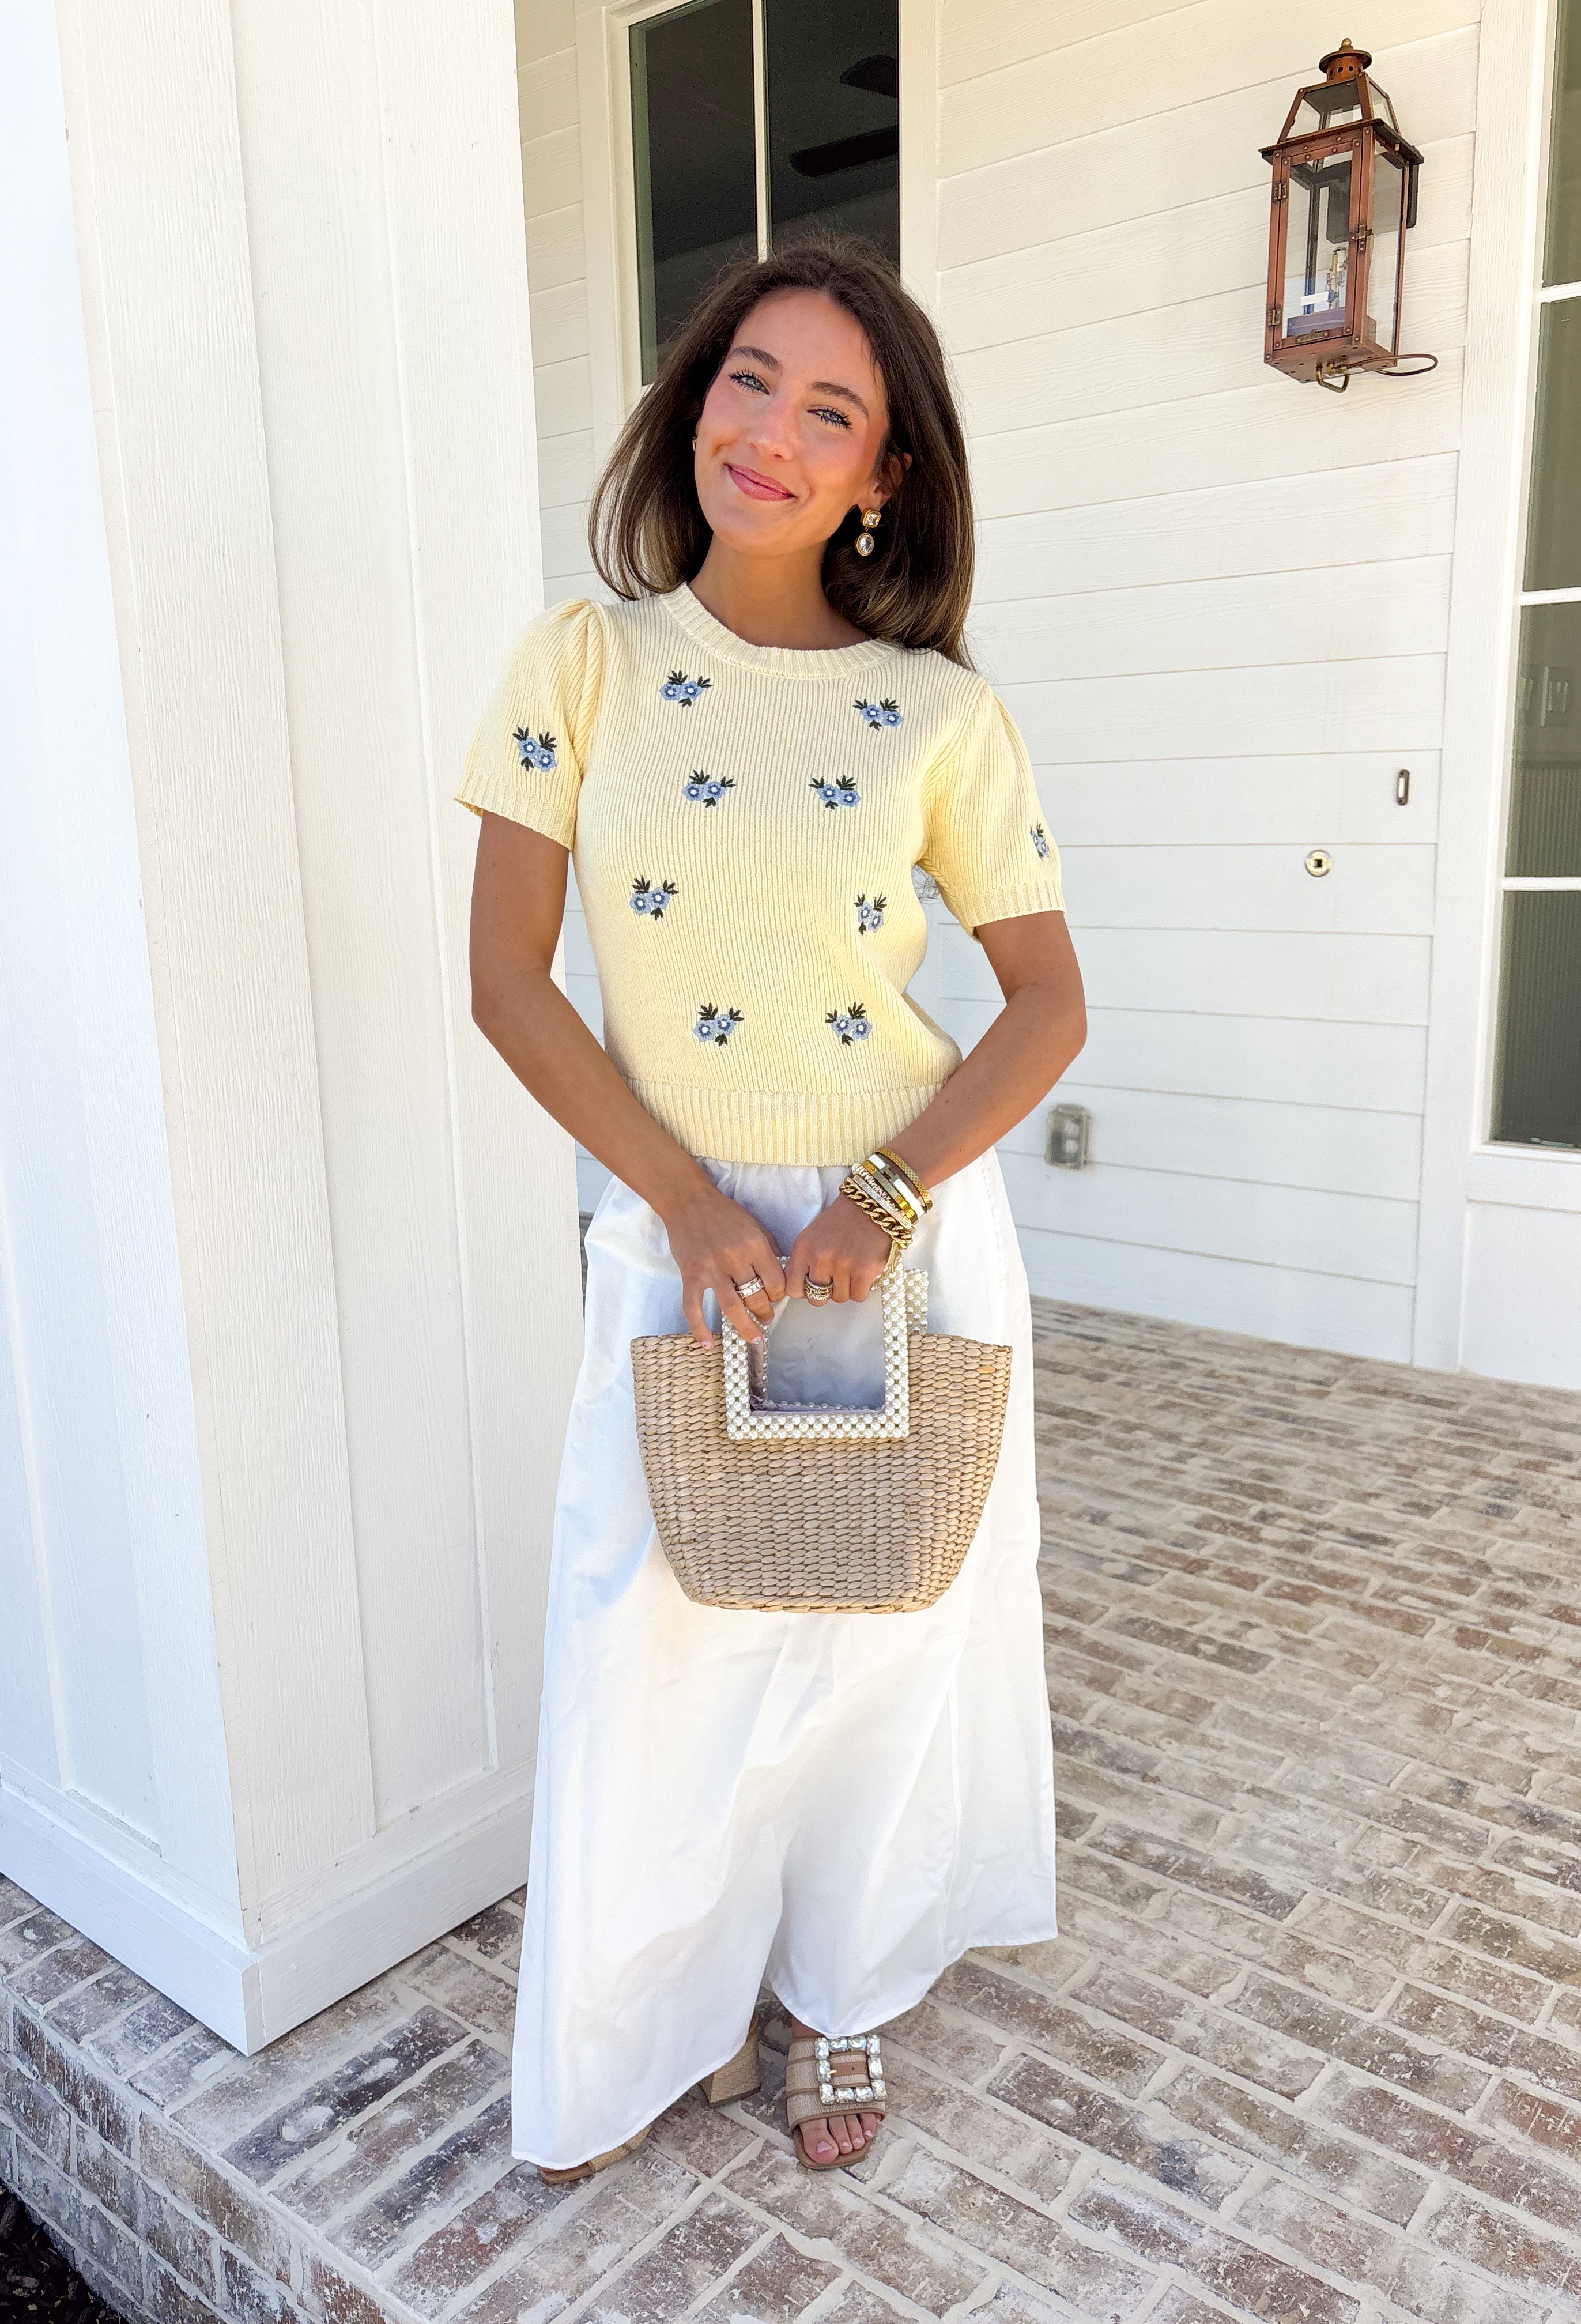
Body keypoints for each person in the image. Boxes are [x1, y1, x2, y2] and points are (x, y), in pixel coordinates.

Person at [458, 232, 1086, 2180]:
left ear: (884, 474)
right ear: (692, 396)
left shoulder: (939, 713)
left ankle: (840, 1993)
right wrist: (683, 1198)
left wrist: (885, 1198)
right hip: (684, 1238)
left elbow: (1048, 1004)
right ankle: (649, 2027)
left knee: (880, 1645)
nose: (773, 433)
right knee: (652, 1639)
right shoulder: (581, 663)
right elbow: (505, 982)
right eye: (750, 379)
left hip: (899, 1236)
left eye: (833, 411)